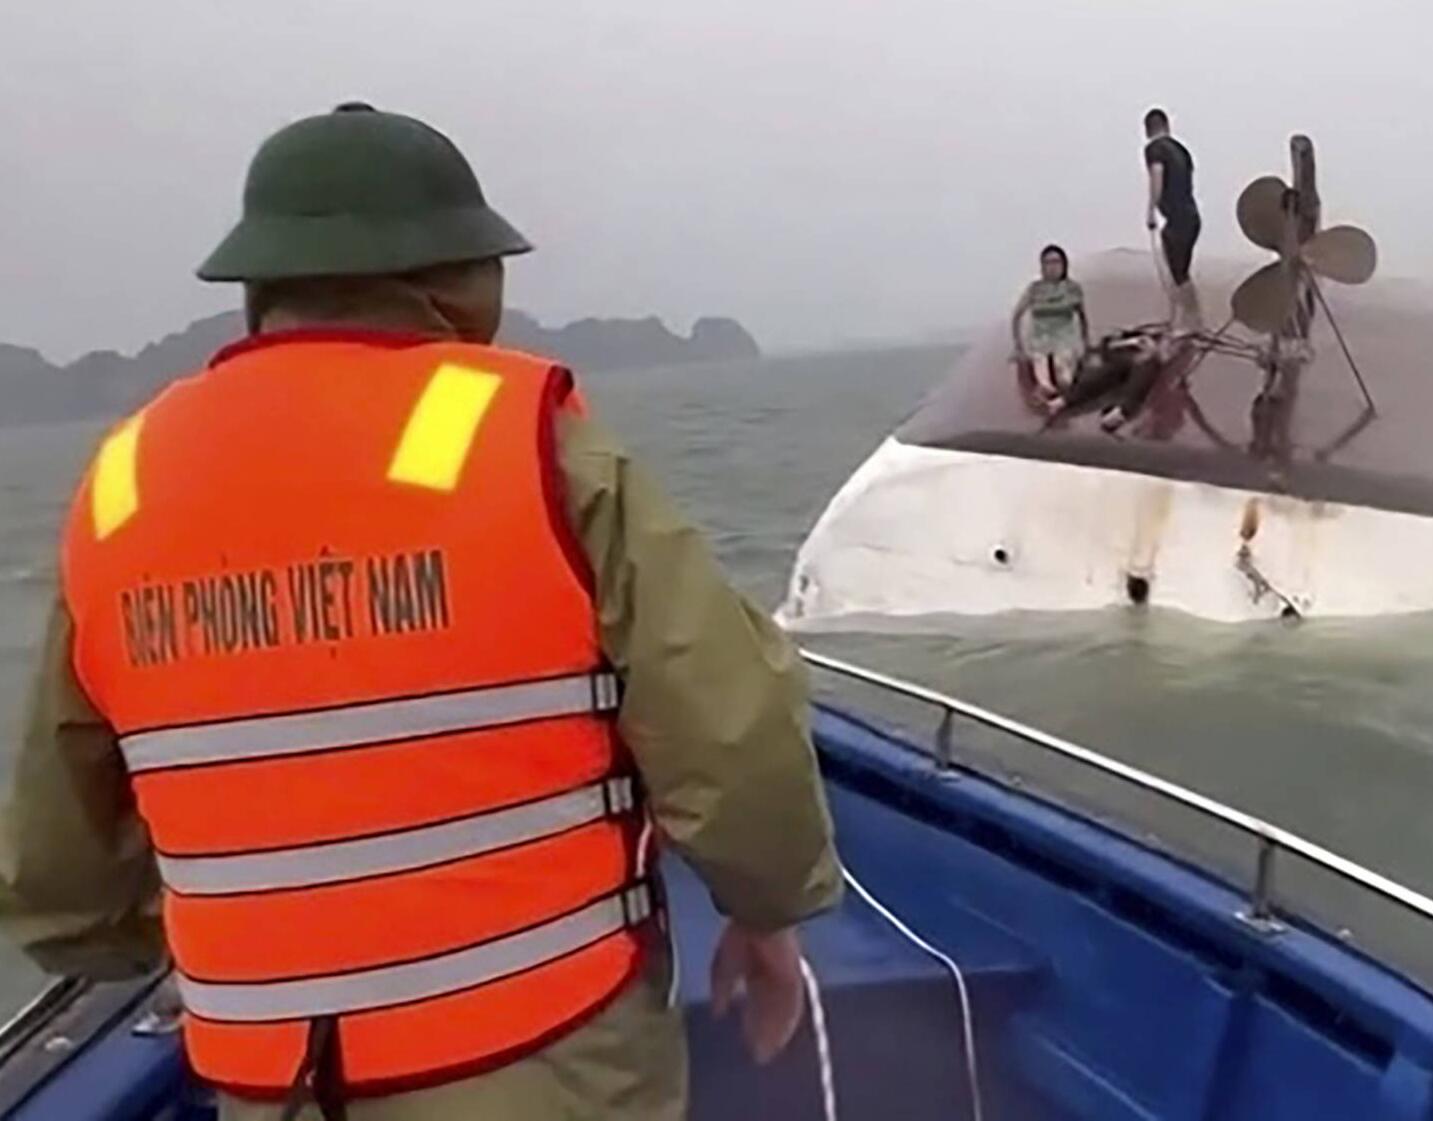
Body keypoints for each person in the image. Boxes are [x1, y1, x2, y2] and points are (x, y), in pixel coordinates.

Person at [0, 102, 840, 1121]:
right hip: (542, 1061)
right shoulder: (536, 442)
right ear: (452, 280)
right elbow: (729, 729)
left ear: (260, 286)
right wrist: (769, 907)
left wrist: (180, 941)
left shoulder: (123, 483)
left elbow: (59, 853)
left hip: (269, 1079)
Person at [1046, 328, 1178, 433]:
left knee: (1144, 371)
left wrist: (1155, 350)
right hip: (1128, 355)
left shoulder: (1171, 342)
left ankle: (1121, 412)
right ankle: (1065, 400)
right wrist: (1133, 342)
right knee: (1108, 373)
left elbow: (1168, 354)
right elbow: (1109, 345)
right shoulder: (1140, 334)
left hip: (1148, 359)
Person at [1143, 108, 1203, 330]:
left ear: (1147, 129)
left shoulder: (1155, 149)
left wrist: (1151, 210)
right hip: (1191, 216)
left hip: (1178, 218)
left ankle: (1189, 321)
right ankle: (1188, 319)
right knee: (1181, 271)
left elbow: (1157, 177)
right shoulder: (1181, 150)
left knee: (1177, 273)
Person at [1010, 244, 1089, 402]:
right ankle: (1044, 388)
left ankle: (1063, 394)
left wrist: (1085, 342)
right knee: (1043, 373)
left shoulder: (1072, 288)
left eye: (1056, 262)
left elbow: (1082, 316)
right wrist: (1018, 346)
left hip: (1065, 339)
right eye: (1048, 263)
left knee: (1064, 378)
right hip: (1040, 339)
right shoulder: (1035, 289)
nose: (1052, 267)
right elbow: (1017, 315)